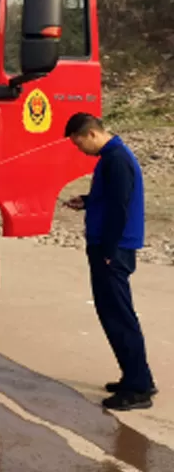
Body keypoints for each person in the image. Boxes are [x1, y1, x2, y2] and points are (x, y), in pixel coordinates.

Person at [63, 112, 155, 411]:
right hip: (110, 247)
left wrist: (108, 251)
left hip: (112, 250)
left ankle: (138, 387)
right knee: (114, 313)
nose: (80, 150)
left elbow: (120, 207)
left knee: (118, 315)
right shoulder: (111, 157)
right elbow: (111, 197)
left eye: (79, 144)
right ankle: (135, 376)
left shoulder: (116, 159)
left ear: (90, 134)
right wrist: (88, 201)